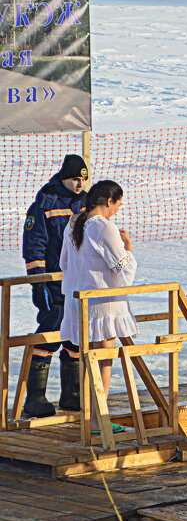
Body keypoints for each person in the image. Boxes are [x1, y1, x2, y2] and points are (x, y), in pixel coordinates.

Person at [59, 180, 136, 436]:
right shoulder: (104, 227)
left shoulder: (73, 223)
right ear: (107, 202)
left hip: (78, 300)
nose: (117, 210)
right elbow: (122, 269)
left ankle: (91, 417)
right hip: (102, 303)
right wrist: (128, 246)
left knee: (89, 359)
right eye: (118, 205)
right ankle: (98, 419)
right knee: (103, 360)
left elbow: (64, 262)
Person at [20, 154, 89, 417]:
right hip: (53, 281)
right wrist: (38, 282)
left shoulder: (85, 202)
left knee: (75, 335)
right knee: (51, 330)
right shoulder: (45, 204)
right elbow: (34, 245)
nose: (79, 184)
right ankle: (35, 397)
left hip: (79, 281)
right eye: (74, 179)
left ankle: (71, 394)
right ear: (63, 178)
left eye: (83, 179)